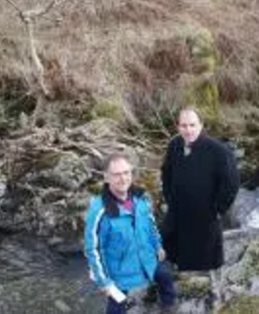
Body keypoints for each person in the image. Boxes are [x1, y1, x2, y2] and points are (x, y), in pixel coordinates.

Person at [161, 107, 240, 305]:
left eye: (192, 125)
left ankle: (216, 291)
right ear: (178, 126)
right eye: (184, 125)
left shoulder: (218, 150)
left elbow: (231, 183)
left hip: (206, 214)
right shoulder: (174, 145)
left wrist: (218, 209)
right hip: (178, 211)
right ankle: (169, 286)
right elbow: (166, 173)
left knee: (211, 256)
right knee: (168, 245)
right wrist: (170, 198)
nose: (188, 130)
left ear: (201, 126)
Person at [84, 153, 176, 314]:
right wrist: (104, 282)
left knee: (165, 275)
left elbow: (151, 224)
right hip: (119, 272)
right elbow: (92, 250)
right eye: (117, 174)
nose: (123, 178)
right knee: (116, 305)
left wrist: (158, 245)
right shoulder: (99, 211)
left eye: (126, 173)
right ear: (106, 177)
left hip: (147, 259)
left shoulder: (141, 198)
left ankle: (167, 306)